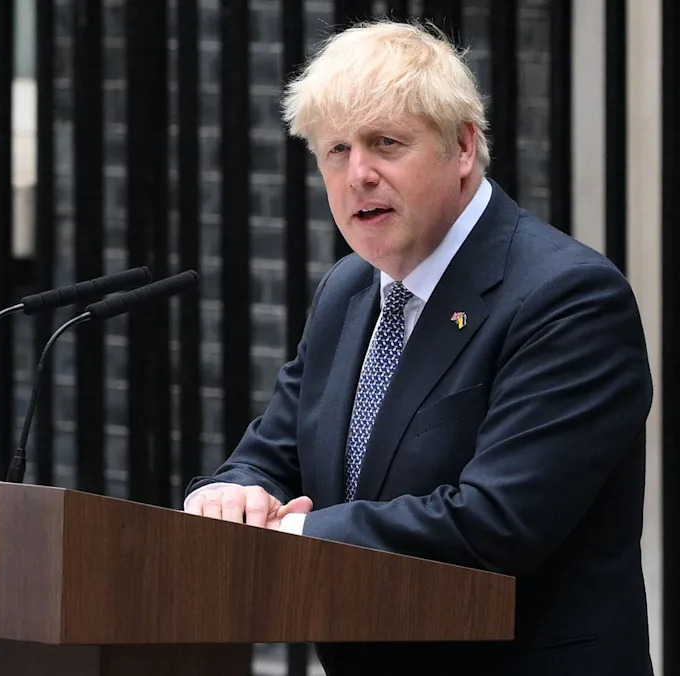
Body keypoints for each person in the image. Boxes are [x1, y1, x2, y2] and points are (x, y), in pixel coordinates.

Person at [183, 19, 653, 676]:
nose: (359, 174)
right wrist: (229, 497)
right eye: (337, 150)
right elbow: (271, 456)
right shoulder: (349, 291)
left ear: (462, 146)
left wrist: (287, 538)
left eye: (386, 143)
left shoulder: (567, 298)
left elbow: (495, 524)